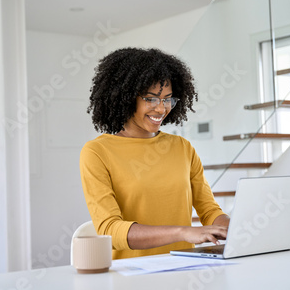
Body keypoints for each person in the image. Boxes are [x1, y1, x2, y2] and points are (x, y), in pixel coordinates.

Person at [80, 47, 230, 260]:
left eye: (168, 99)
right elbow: (110, 230)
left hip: (184, 268)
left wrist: (238, 228)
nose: (161, 109)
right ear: (126, 97)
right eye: (151, 99)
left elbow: (209, 211)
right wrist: (182, 231)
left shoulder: (182, 147)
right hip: (131, 275)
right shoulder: (97, 152)